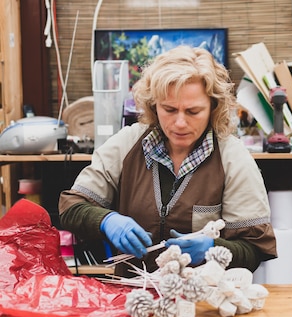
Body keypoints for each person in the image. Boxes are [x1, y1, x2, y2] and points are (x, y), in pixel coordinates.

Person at [59, 45, 277, 277]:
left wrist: (213, 249)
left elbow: (254, 249)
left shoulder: (233, 159)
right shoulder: (127, 144)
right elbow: (71, 207)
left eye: (193, 111)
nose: (180, 122)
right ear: (154, 105)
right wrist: (107, 220)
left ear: (213, 107)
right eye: (169, 109)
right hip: (134, 295)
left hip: (203, 301)